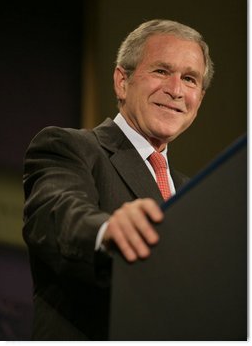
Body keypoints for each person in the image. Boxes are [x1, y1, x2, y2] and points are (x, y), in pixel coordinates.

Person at [23, 19, 214, 340]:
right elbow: (57, 214)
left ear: (200, 100)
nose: (176, 90)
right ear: (122, 82)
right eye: (161, 71)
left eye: (190, 79)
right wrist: (106, 230)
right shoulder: (69, 147)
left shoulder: (196, 194)